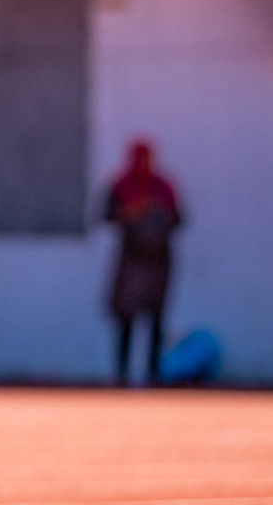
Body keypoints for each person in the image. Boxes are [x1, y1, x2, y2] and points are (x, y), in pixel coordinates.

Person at [105, 138, 183, 386]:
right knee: (125, 318)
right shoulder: (121, 185)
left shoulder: (163, 186)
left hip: (158, 261)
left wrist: (157, 213)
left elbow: (179, 218)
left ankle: (153, 376)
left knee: (156, 319)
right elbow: (106, 215)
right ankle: (122, 375)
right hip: (131, 260)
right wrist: (133, 211)